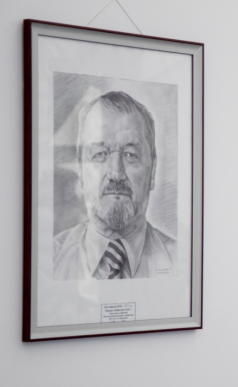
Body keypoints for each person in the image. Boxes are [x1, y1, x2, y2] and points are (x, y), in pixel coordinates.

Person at [53, 91, 176, 280]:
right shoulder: (50, 262)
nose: (116, 174)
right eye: (100, 154)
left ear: (152, 171)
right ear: (81, 170)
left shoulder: (181, 264)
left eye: (130, 155)